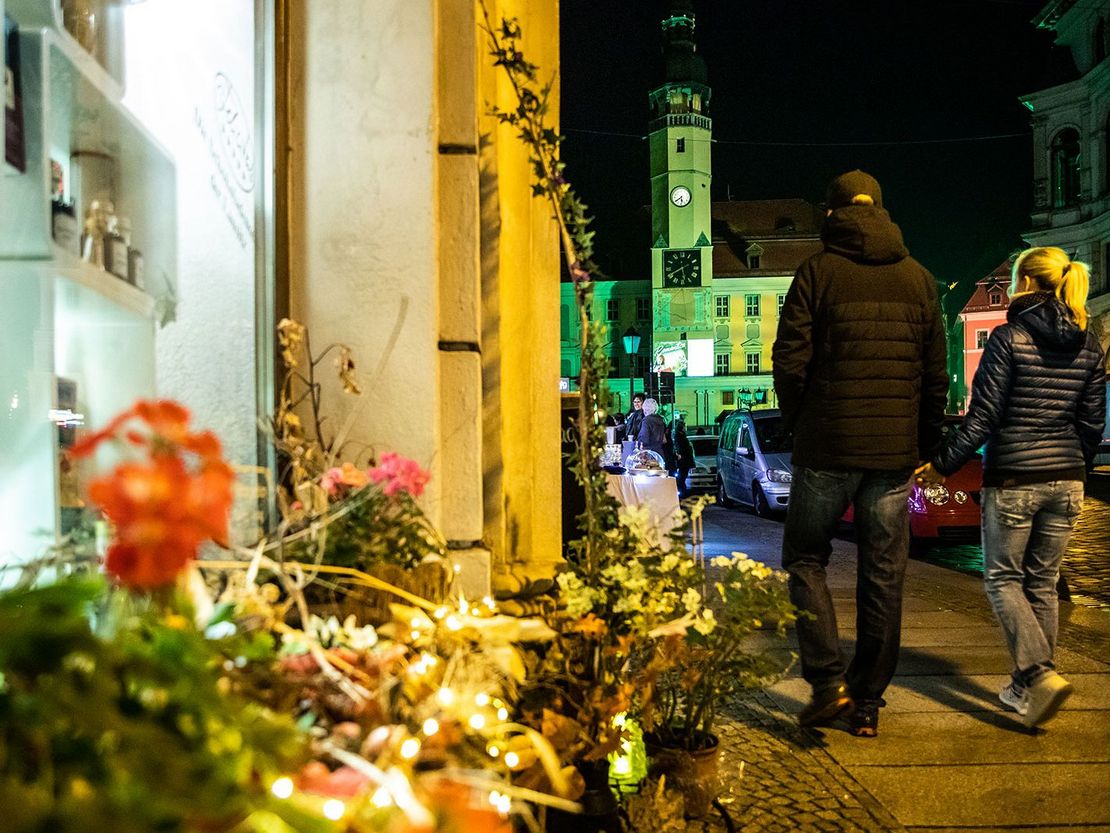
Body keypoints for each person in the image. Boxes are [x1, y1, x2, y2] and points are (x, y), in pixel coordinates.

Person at [772, 170, 948, 737]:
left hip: (826, 443)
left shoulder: (816, 273)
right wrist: (923, 443)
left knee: (805, 558)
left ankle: (828, 684)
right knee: (884, 574)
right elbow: (935, 378)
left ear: (831, 213)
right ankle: (868, 702)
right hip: (893, 453)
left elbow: (790, 361)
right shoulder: (920, 280)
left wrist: (800, 422)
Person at [916, 247, 1105, 728]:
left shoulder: (1008, 336)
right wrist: (1073, 468)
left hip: (1015, 479)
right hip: (1067, 481)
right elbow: (1091, 422)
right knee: (1042, 583)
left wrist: (942, 464)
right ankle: (1030, 686)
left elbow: (982, 418)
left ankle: (1037, 676)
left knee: (1003, 579)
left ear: (1023, 284)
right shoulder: (1089, 341)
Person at [671, 417, 694, 498]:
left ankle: (682, 492)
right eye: (685, 426)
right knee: (682, 477)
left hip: (684, 460)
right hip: (684, 460)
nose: (686, 428)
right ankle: (682, 493)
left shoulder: (680, 436)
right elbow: (681, 448)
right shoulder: (680, 437)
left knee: (682, 477)